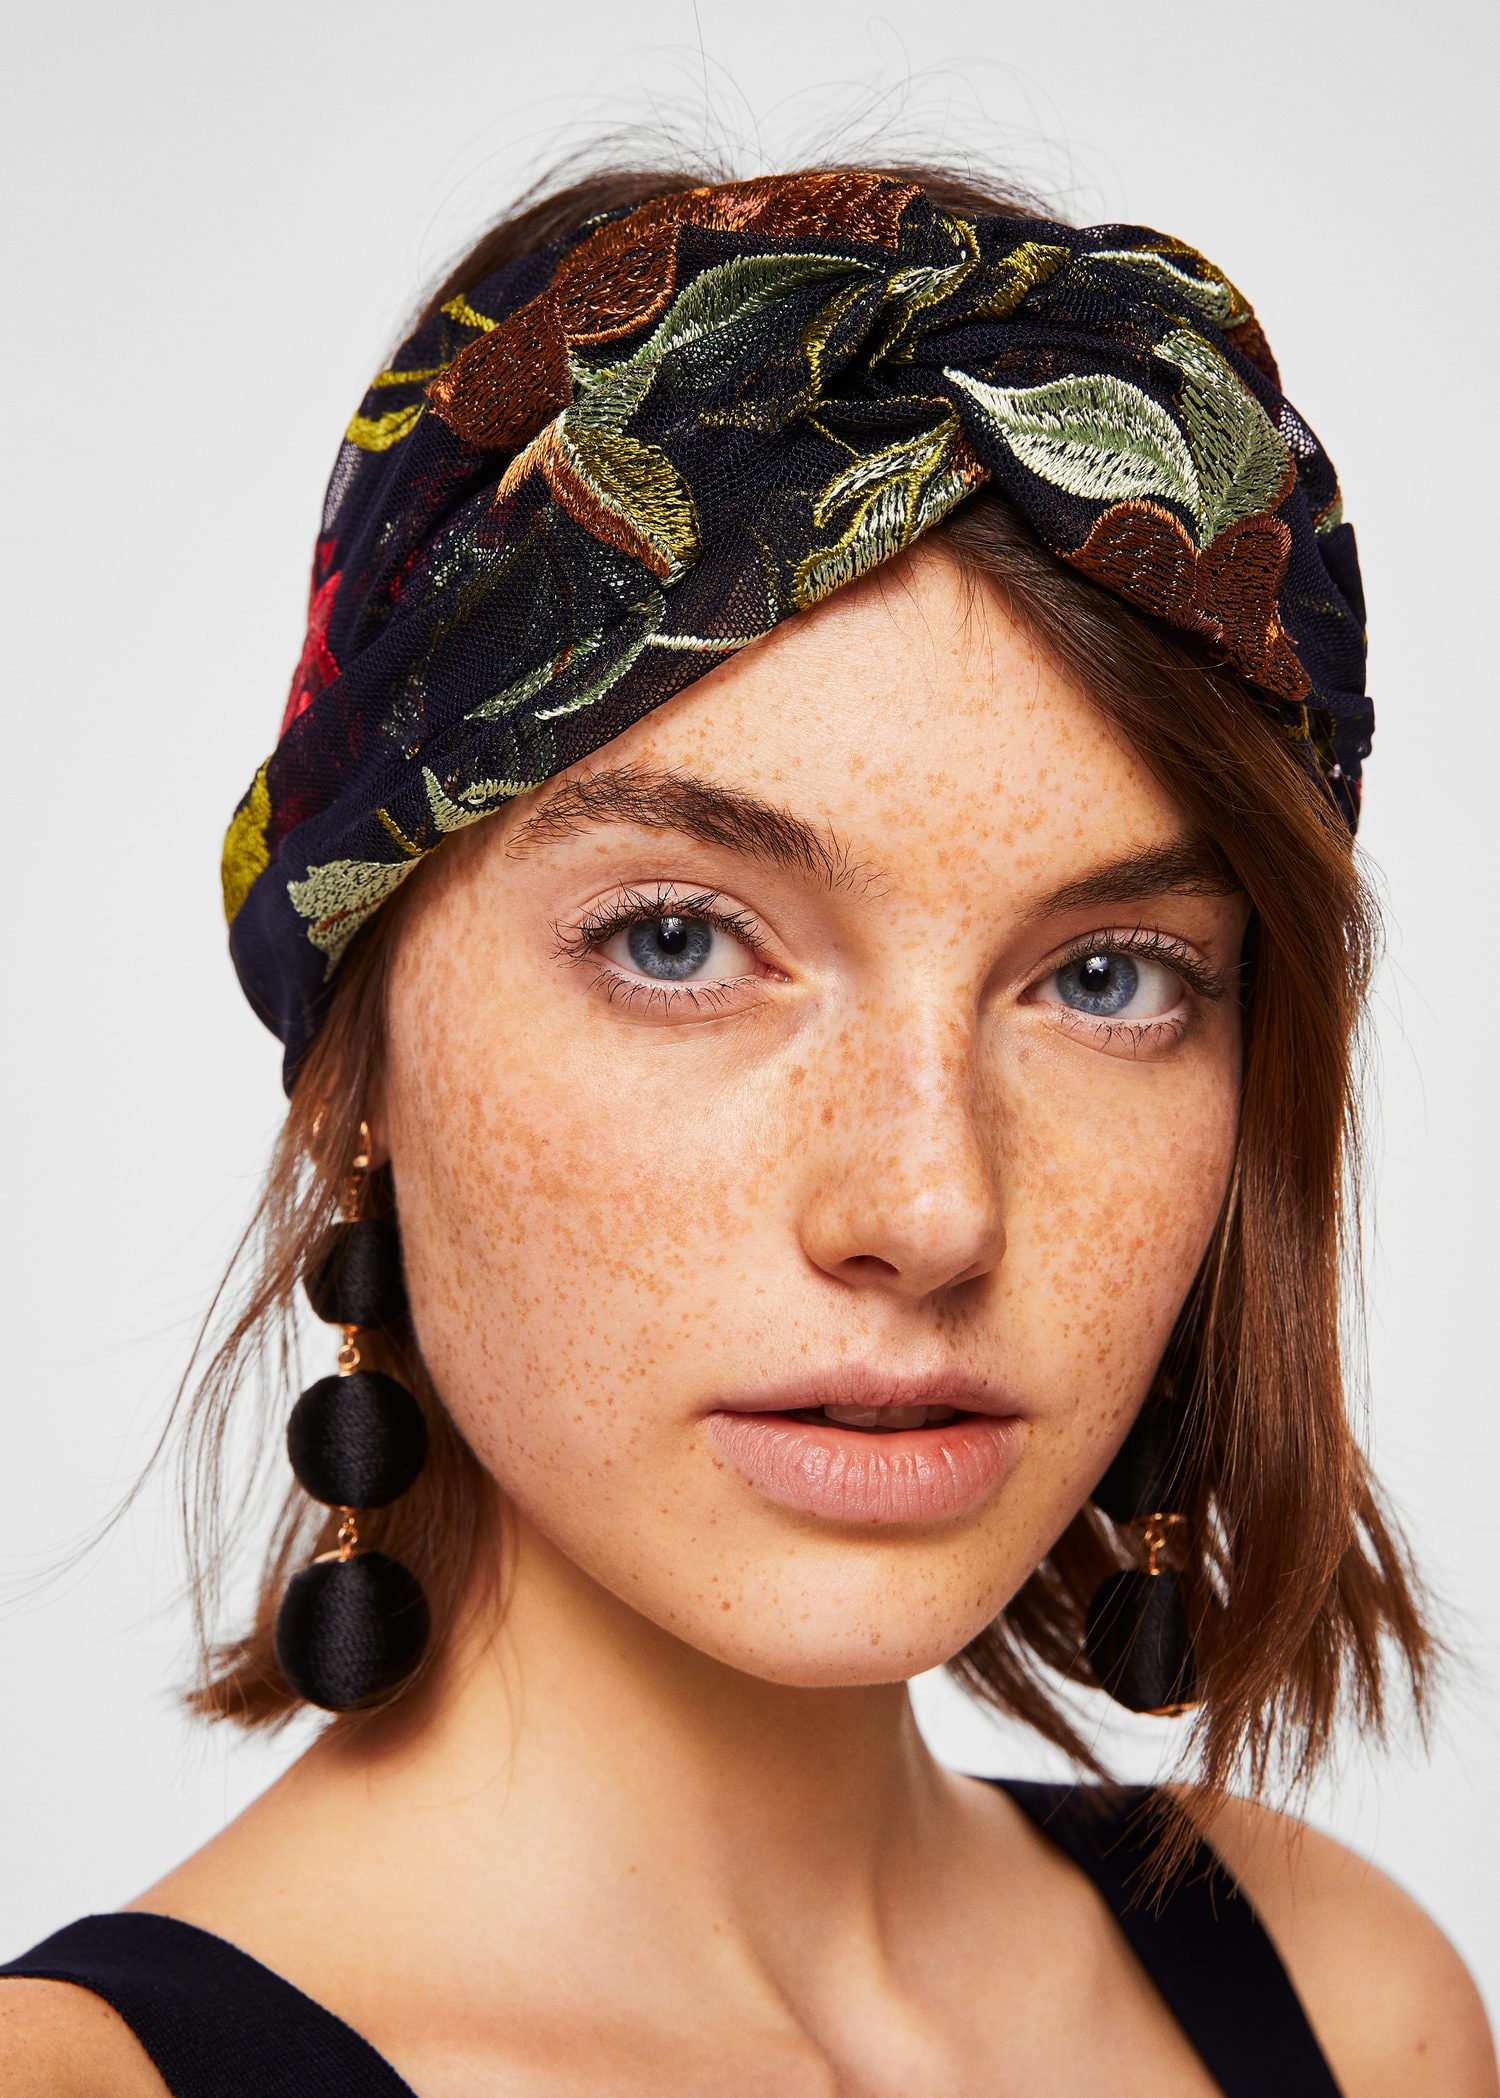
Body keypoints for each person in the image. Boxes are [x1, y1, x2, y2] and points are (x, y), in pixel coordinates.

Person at [1, 162, 1494, 2098]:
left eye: (1108, 975)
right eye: (680, 941)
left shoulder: (1354, 2004)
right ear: (359, 1051)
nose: (930, 1204)